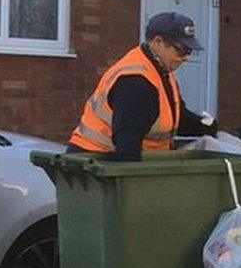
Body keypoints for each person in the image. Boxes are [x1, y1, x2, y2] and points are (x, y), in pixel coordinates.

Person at [68, 12, 216, 161]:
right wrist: (134, 179)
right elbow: (127, 143)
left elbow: (174, 117)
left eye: (189, 50)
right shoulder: (136, 82)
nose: (185, 57)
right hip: (95, 162)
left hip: (110, 160)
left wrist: (205, 125)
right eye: (181, 50)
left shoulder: (160, 71)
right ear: (158, 43)